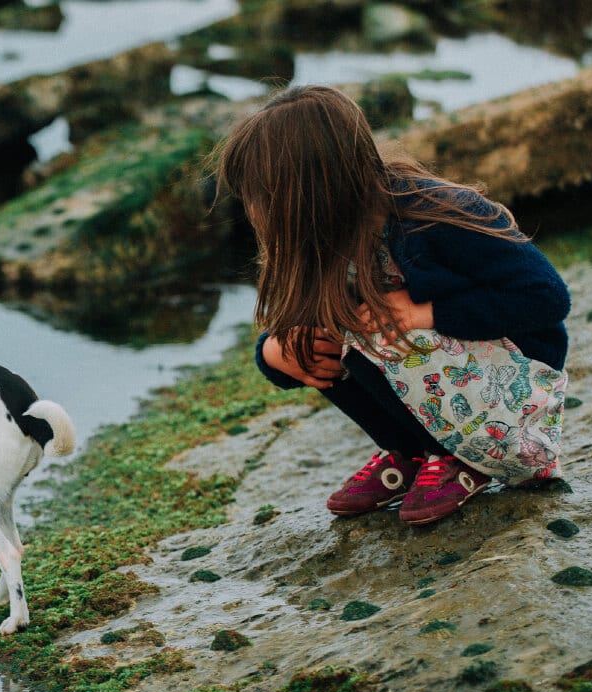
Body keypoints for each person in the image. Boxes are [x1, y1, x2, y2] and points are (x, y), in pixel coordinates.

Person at [214, 85, 571, 525]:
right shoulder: (321, 238)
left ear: (313, 188)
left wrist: (430, 313)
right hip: (441, 386)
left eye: (261, 196)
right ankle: (411, 455)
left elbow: (547, 297)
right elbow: (301, 329)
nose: (254, 210)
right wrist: (275, 352)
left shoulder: (438, 214)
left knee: (376, 327)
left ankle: (461, 461)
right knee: (318, 337)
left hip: (514, 394)